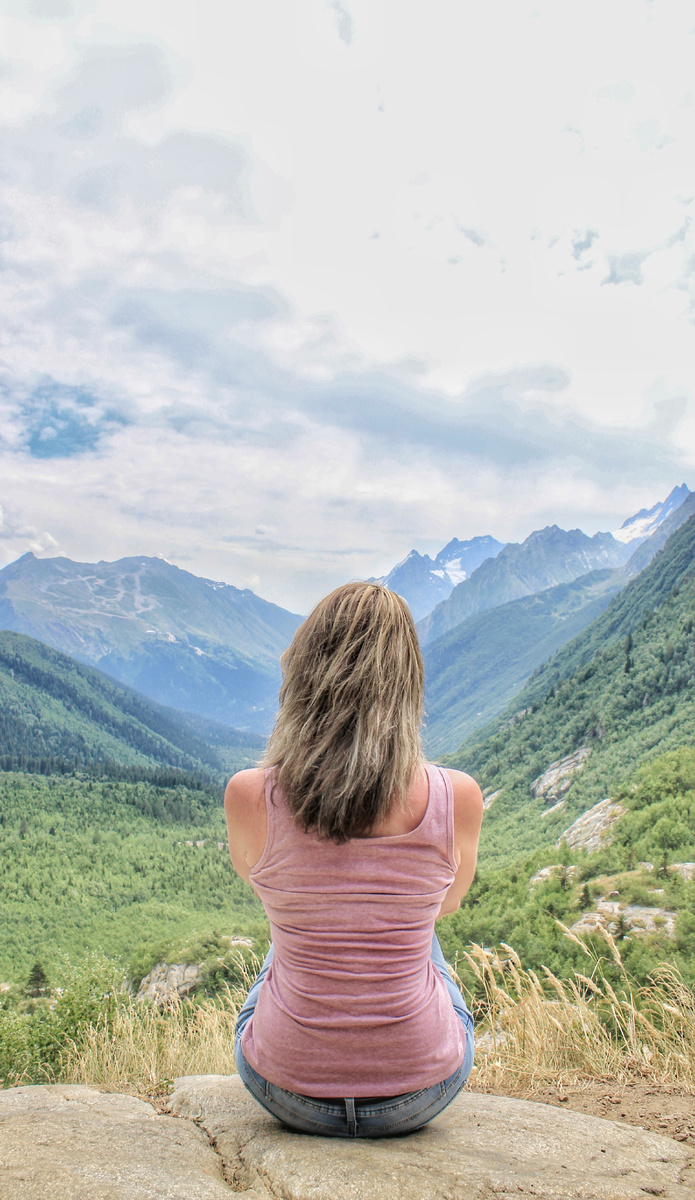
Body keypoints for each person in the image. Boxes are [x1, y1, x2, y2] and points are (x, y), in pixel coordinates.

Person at [224, 581, 483, 1138]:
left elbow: (256, 880)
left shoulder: (249, 795)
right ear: (406, 686)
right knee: (423, 933)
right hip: (419, 1093)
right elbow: (449, 904)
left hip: (285, 1090)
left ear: (304, 676)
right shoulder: (455, 796)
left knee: (285, 935)